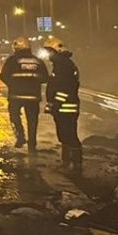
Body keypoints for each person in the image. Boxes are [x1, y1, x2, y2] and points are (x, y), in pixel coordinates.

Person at [0, 36, 49, 152]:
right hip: (33, 96)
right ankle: (32, 143)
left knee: (14, 116)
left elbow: (3, 75)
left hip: (16, 95)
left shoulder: (12, 61)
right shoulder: (37, 61)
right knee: (33, 121)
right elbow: (45, 78)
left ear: (16, 47)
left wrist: (12, 84)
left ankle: (20, 136)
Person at [42, 35, 82, 172]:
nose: (49, 54)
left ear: (57, 50)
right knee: (64, 135)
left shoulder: (63, 65)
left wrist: (56, 103)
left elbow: (66, 87)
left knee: (69, 135)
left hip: (66, 107)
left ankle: (75, 164)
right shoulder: (62, 64)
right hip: (63, 106)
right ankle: (67, 162)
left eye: (50, 51)